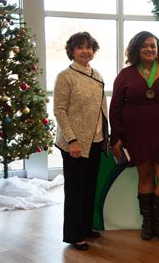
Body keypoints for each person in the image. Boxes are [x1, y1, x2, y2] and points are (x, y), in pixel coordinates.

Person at [109, 31, 159, 244]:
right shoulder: (126, 74)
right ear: (136, 50)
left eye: (153, 45)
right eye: (144, 46)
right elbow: (115, 107)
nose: (149, 49)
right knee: (145, 176)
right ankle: (148, 223)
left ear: (158, 48)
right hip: (137, 133)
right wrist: (116, 137)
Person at [53, 32, 108, 251]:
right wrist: (72, 140)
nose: (85, 51)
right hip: (74, 143)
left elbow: (101, 109)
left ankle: (85, 228)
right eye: (80, 47)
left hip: (95, 140)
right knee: (75, 191)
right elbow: (59, 110)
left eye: (89, 47)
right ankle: (74, 235)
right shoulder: (65, 76)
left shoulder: (97, 75)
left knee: (88, 188)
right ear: (72, 51)